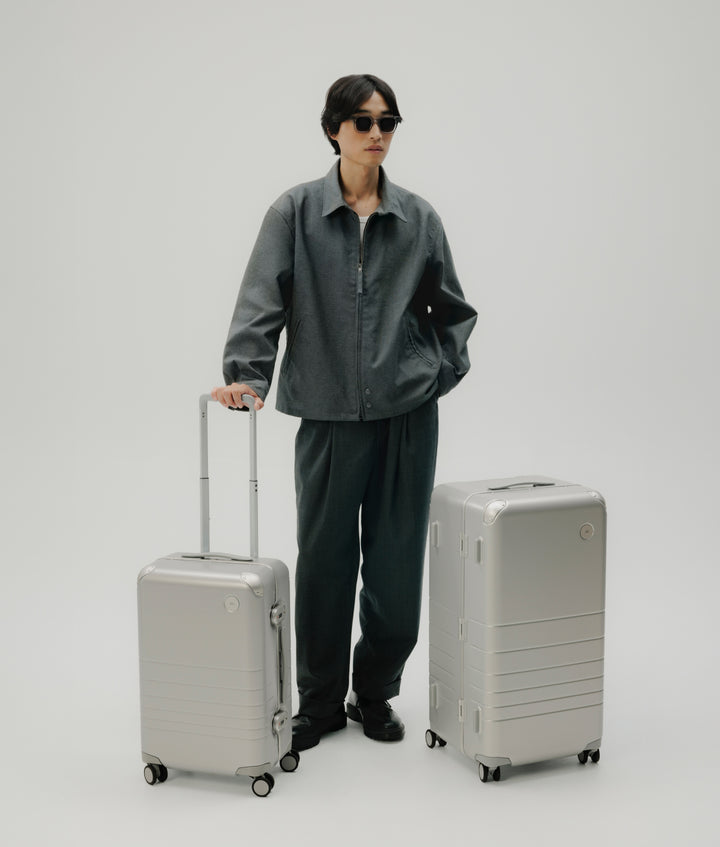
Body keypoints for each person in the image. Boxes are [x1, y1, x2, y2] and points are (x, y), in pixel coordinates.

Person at [212, 74, 476, 751]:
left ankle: (376, 692)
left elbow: (453, 312)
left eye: (388, 121)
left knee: (394, 567)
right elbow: (261, 301)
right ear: (334, 129)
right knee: (326, 563)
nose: (378, 133)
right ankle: (321, 700)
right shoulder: (295, 213)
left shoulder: (418, 219)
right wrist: (246, 377)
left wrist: (433, 373)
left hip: (406, 421)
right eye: (363, 122)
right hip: (327, 418)